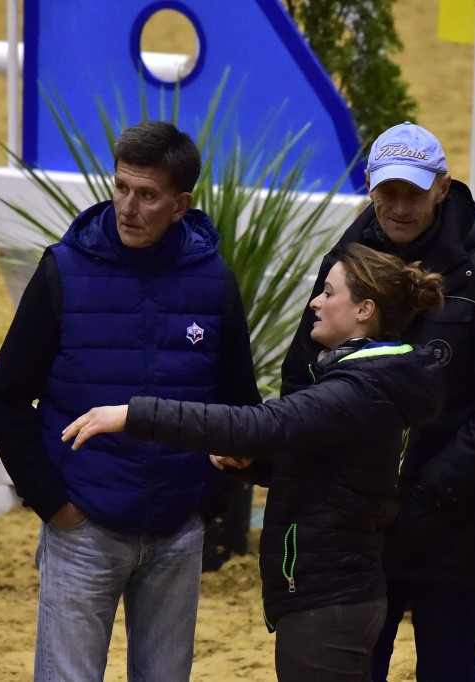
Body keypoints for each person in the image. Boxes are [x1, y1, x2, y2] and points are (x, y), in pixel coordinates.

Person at [63, 242, 447, 682]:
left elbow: (260, 425)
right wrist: (252, 466)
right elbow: (328, 470)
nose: (314, 303)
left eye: (328, 292)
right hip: (333, 590)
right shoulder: (371, 381)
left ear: (364, 310)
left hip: (329, 596)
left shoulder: (357, 390)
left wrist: (134, 414)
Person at [0, 120, 261, 681]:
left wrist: (205, 502)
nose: (128, 207)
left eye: (147, 195)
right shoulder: (62, 271)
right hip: (82, 529)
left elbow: (239, 411)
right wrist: (54, 504)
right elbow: (4, 397)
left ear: (180, 205)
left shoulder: (214, 283)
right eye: (121, 188)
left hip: (178, 530)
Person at [278, 122, 475, 682]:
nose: (399, 207)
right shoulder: (343, 264)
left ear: (442, 188)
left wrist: (428, 493)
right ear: (370, 186)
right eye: (388, 193)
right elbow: (303, 374)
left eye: (414, 193)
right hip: (360, 528)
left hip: (455, 524)